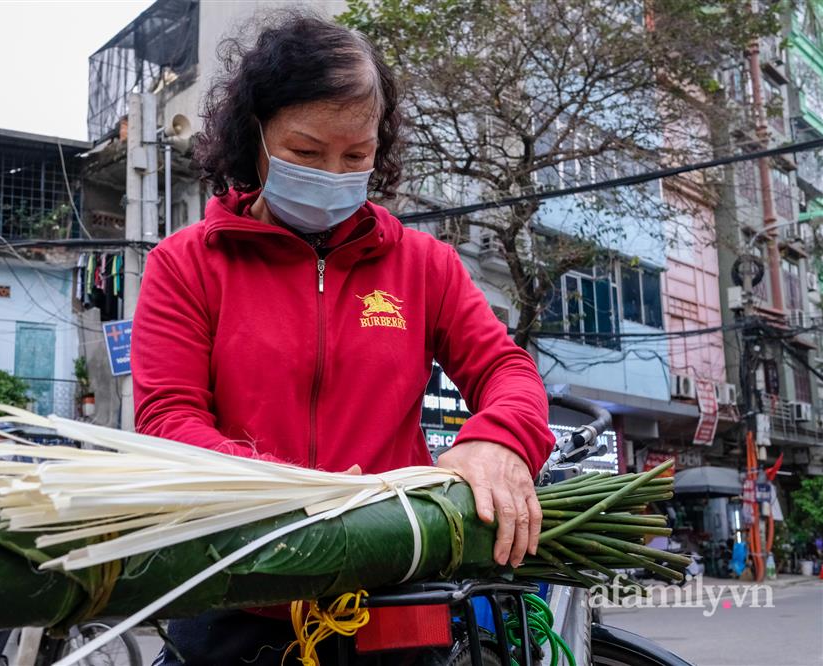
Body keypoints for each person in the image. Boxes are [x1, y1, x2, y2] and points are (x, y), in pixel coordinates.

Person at [130, 13, 555, 665]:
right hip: (237, 591)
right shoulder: (187, 264)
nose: (334, 172)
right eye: (305, 152)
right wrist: (286, 496)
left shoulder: (424, 265)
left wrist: (499, 442)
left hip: (394, 602)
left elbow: (506, 370)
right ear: (256, 134)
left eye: (355, 156)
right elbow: (168, 417)